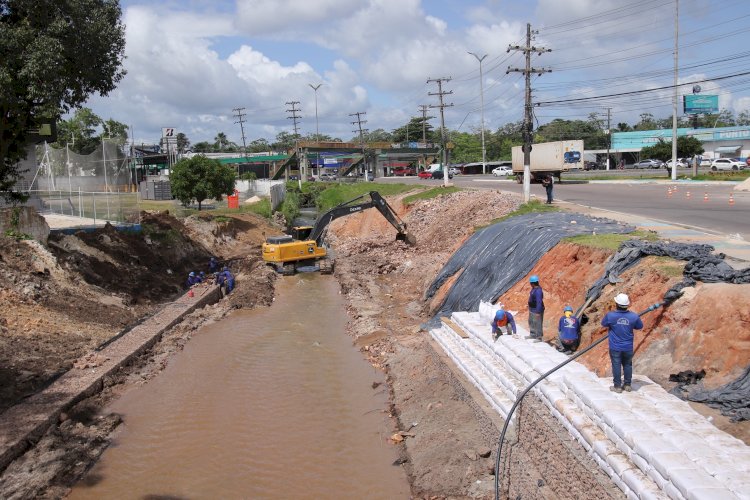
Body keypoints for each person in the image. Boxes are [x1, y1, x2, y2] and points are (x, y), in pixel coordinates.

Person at [601, 293, 643, 393]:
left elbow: (603, 324)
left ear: (616, 304)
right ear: (627, 304)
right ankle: (627, 385)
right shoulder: (634, 316)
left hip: (615, 346)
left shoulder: (611, 315)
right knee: (628, 365)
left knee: (616, 365)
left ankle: (617, 386)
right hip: (628, 347)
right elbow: (639, 326)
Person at [527, 275, 545, 342]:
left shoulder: (538, 291)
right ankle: (533, 334)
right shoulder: (534, 289)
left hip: (536, 310)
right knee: (531, 321)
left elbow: (539, 302)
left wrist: (538, 312)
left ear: (533, 283)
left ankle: (539, 337)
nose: (530, 284)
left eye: (530, 283)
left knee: (538, 323)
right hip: (532, 309)